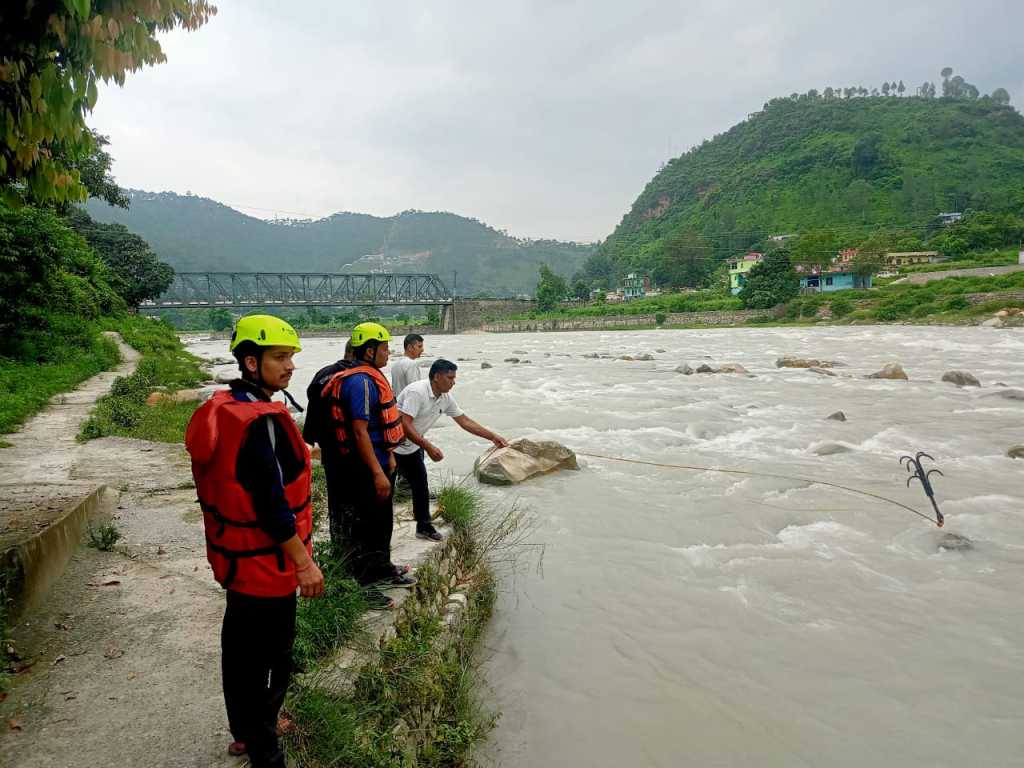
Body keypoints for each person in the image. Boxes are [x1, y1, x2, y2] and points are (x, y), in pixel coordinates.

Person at [185, 314, 323, 768]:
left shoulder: (226, 404)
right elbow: (272, 505)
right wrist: (303, 563)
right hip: (268, 565)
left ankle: (245, 732)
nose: (289, 366)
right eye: (280, 357)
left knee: (239, 653)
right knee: (272, 658)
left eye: (291, 357)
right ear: (251, 361)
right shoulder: (260, 421)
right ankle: (267, 752)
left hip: (238, 563)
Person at [319, 322, 416, 602]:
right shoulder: (359, 382)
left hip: (380, 461)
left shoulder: (373, 376)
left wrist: (390, 458)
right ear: (370, 350)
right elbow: (360, 431)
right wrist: (377, 472)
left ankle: (381, 567)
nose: (389, 353)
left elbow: (382, 425)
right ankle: (362, 584)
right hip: (362, 468)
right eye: (384, 348)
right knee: (363, 525)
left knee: (381, 522)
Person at [395, 359, 508, 541]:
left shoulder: (445, 397)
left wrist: (493, 437)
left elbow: (465, 421)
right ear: (437, 377)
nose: (453, 382)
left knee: (421, 487)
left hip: (412, 446)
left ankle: (424, 527)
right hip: (390, 446)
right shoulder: (418, 392)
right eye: (450, 378)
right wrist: (428, 446)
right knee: (382, 491)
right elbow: (404, 424)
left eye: (454, 378)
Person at [303, 340, 354, 550]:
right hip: (351, 448)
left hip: (329, 446)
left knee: (336, 499)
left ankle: (339, 544)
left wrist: (313, 436)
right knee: (355, 501)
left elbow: (311, 401)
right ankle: (352, 550)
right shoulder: (354, 376)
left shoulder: (323, 373)